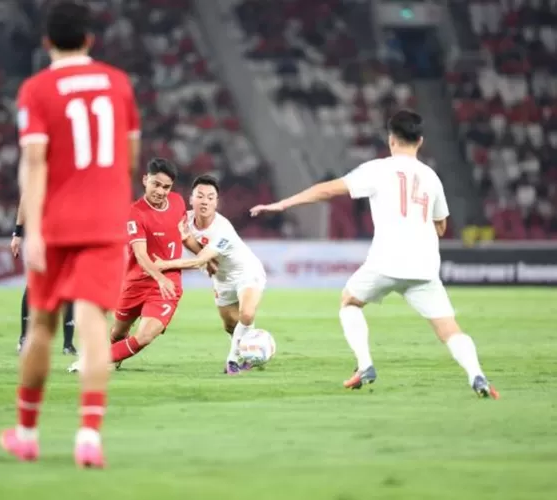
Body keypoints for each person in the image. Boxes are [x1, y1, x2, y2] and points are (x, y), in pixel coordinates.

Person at [251, 109, 499, 399]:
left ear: (391, 140)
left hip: (386, 261)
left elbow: (329, 190)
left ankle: (365, 364)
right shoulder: (432, 177)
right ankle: (477, 375)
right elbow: (441, 225)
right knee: (449, 329)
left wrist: (283, 204)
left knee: (350, 302)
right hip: (424, 266)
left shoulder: (377, 169)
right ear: (420, 141)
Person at [0, 1, 140, 467]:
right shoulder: (117, 84)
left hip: (57, 222)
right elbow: (131, 154)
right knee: (95, 323)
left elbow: (35, 162)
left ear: (46, 43)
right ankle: (89, 437)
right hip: (105, 220)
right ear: (90, 40)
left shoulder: (36, 89)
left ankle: (26, 433)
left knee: (41, 325)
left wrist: (31, 227)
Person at [68, 157, 188, 373]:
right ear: (145, 180)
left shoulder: (179, 202)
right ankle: (111, 357)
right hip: (136, 281)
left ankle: (93, 361)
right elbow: (141, 256)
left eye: (166, 187)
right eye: (156, 184)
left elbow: (183, 236)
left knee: (145, 335)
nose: (161, 191)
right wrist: (158, 277)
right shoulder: (135, 213)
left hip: (167, 284)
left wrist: (205, 258)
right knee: (118, 333)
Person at [153, 175, 267, 375]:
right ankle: (248, 348)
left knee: (246, 313)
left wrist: (164, 265)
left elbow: (199, 260)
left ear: (216, 202)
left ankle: (233, 361)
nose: (204, 201)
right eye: (200, 196)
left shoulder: (223, 230)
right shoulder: (184, 220)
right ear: (191, 199)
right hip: (221, 279)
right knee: (230, 325)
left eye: (210, 197)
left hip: (246, 272)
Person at [10, 199, 76, 356]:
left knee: (70, 283)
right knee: (35, 283)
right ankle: (24, 338)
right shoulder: (43, 175)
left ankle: (68, 344)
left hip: (70, 233)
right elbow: (26, 198)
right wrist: (18, 233)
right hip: (43, 233)